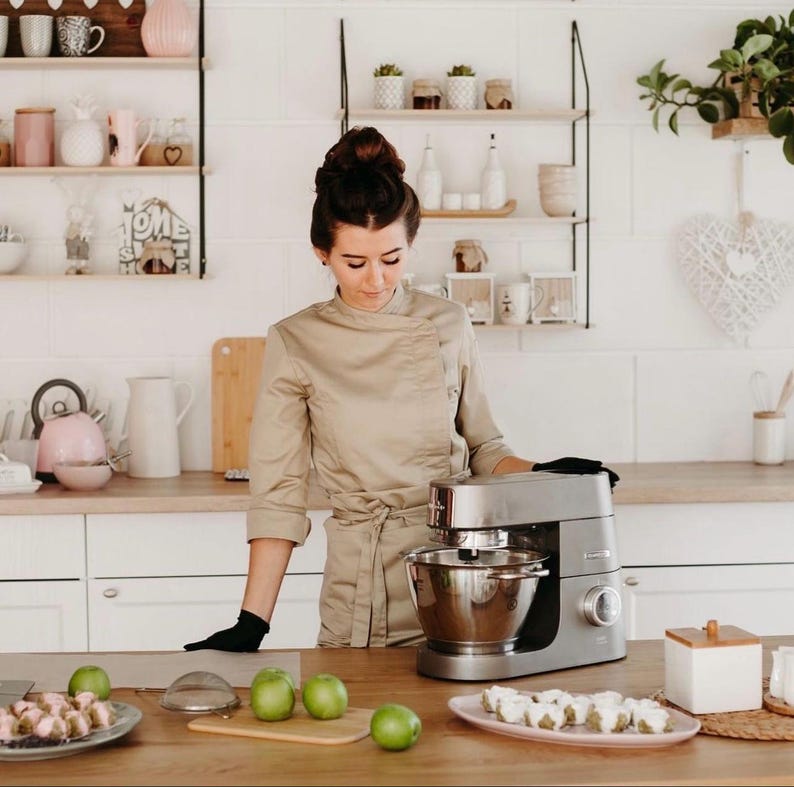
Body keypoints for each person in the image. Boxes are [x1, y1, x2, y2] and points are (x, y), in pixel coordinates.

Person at [185, 126, 618, 653]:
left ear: (411, 243)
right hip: (360, 596)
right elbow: (278, 494)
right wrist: (253, 622)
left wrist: (547, 472)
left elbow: (484, 450)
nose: (375, 280)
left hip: (460, 578)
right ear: (322, 251)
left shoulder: (449, 323)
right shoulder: (295, 341)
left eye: (391, 259)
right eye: (354, 262)